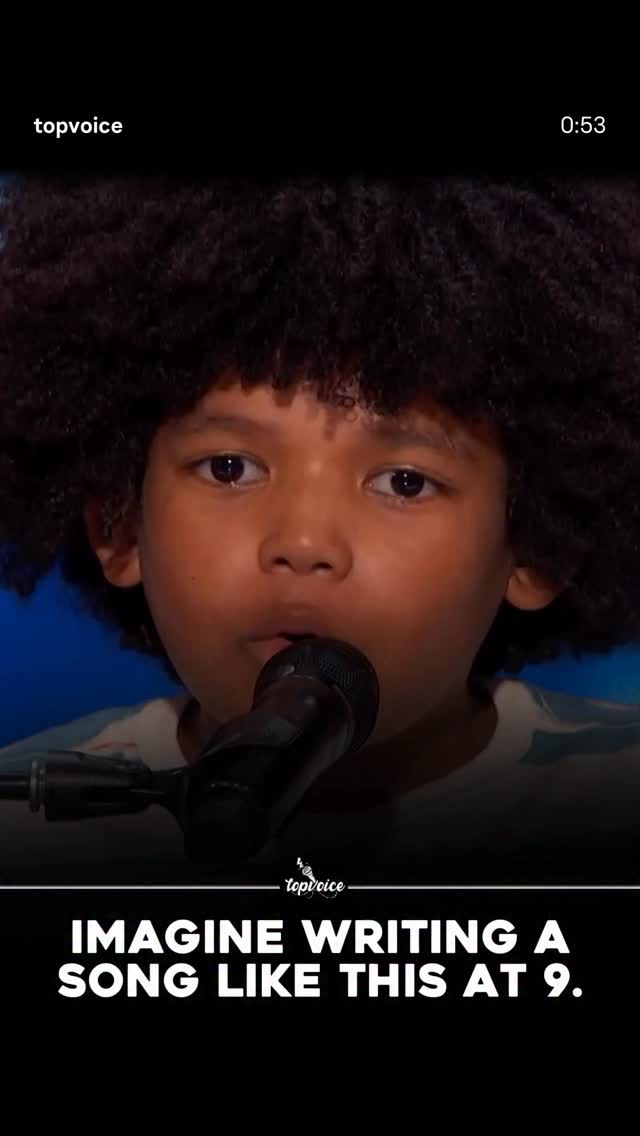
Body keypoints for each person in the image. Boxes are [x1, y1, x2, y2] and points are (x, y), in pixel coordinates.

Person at [0, 174, 639, 884]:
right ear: (119, 527)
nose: (304, 544)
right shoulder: (26, 835)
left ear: (538, 545)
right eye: (229, 468)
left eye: (404, 482)